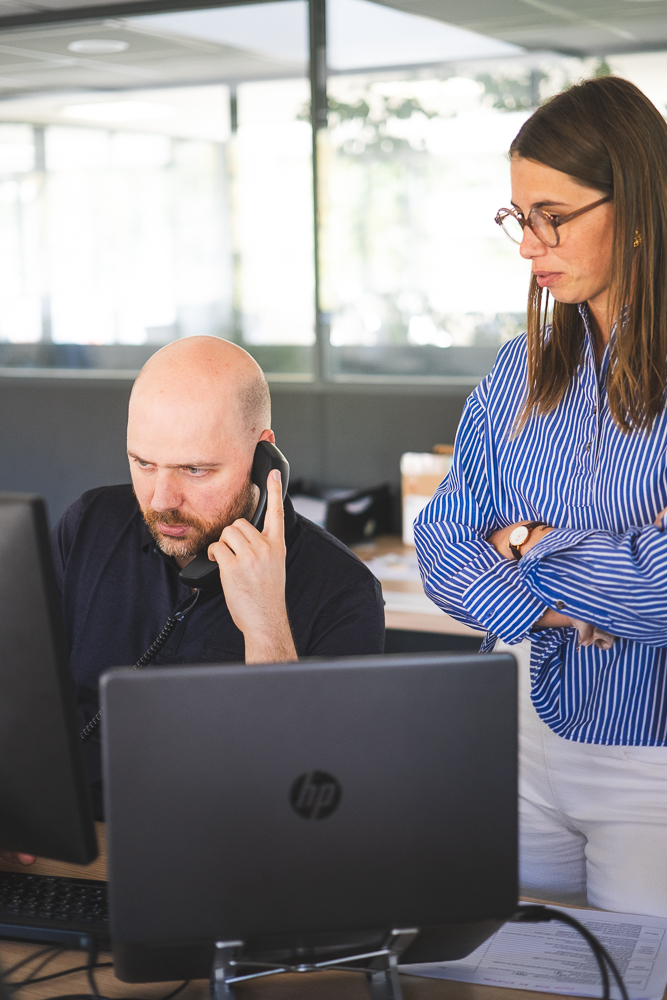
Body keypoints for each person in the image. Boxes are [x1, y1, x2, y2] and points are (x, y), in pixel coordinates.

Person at [415, 76, 667, 917]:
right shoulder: (518, 368)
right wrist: (569, 601)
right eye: (519, 217)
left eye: (552, 216)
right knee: (495, 966)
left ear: (636, 206)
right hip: (516, 738)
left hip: (650, 761)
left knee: (638, 970)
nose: (529, 245)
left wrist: (523, 542)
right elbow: (443, 545)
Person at [51, 336, 384, 818]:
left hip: (233, 853)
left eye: (195, 469)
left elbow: (312, 805)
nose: (161, 500)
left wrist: (266, 627)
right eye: (143, 463)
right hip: (80, 841)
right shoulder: (89, 525)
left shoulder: (343, 591)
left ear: (263, 457)